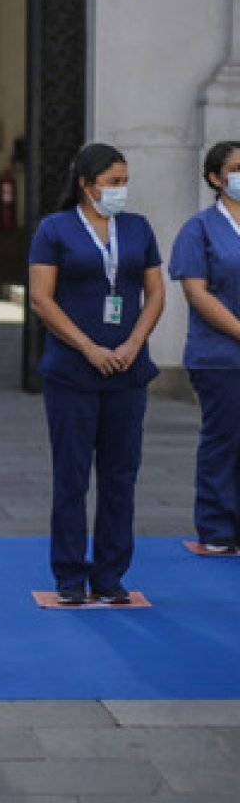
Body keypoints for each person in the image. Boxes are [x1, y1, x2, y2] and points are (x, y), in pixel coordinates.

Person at [29, 143, 164, 604]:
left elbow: (155, 294)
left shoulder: (138, 228)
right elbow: (41, 299)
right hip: (72, 371)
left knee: (120, 474)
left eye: (124, 181)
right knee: (72, 475)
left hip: (127, 371)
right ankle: (69, 574)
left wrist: (131, 344)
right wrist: (87, 346)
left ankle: (110, 574)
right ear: (86, 186)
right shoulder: (55, 229)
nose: (120, 190)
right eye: (111, 182)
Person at [168, 140, 240, 553]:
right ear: (216, 178)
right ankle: (216, 526)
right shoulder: (199, 229)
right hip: (220, 356)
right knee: (224, 438)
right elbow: (197, 292)